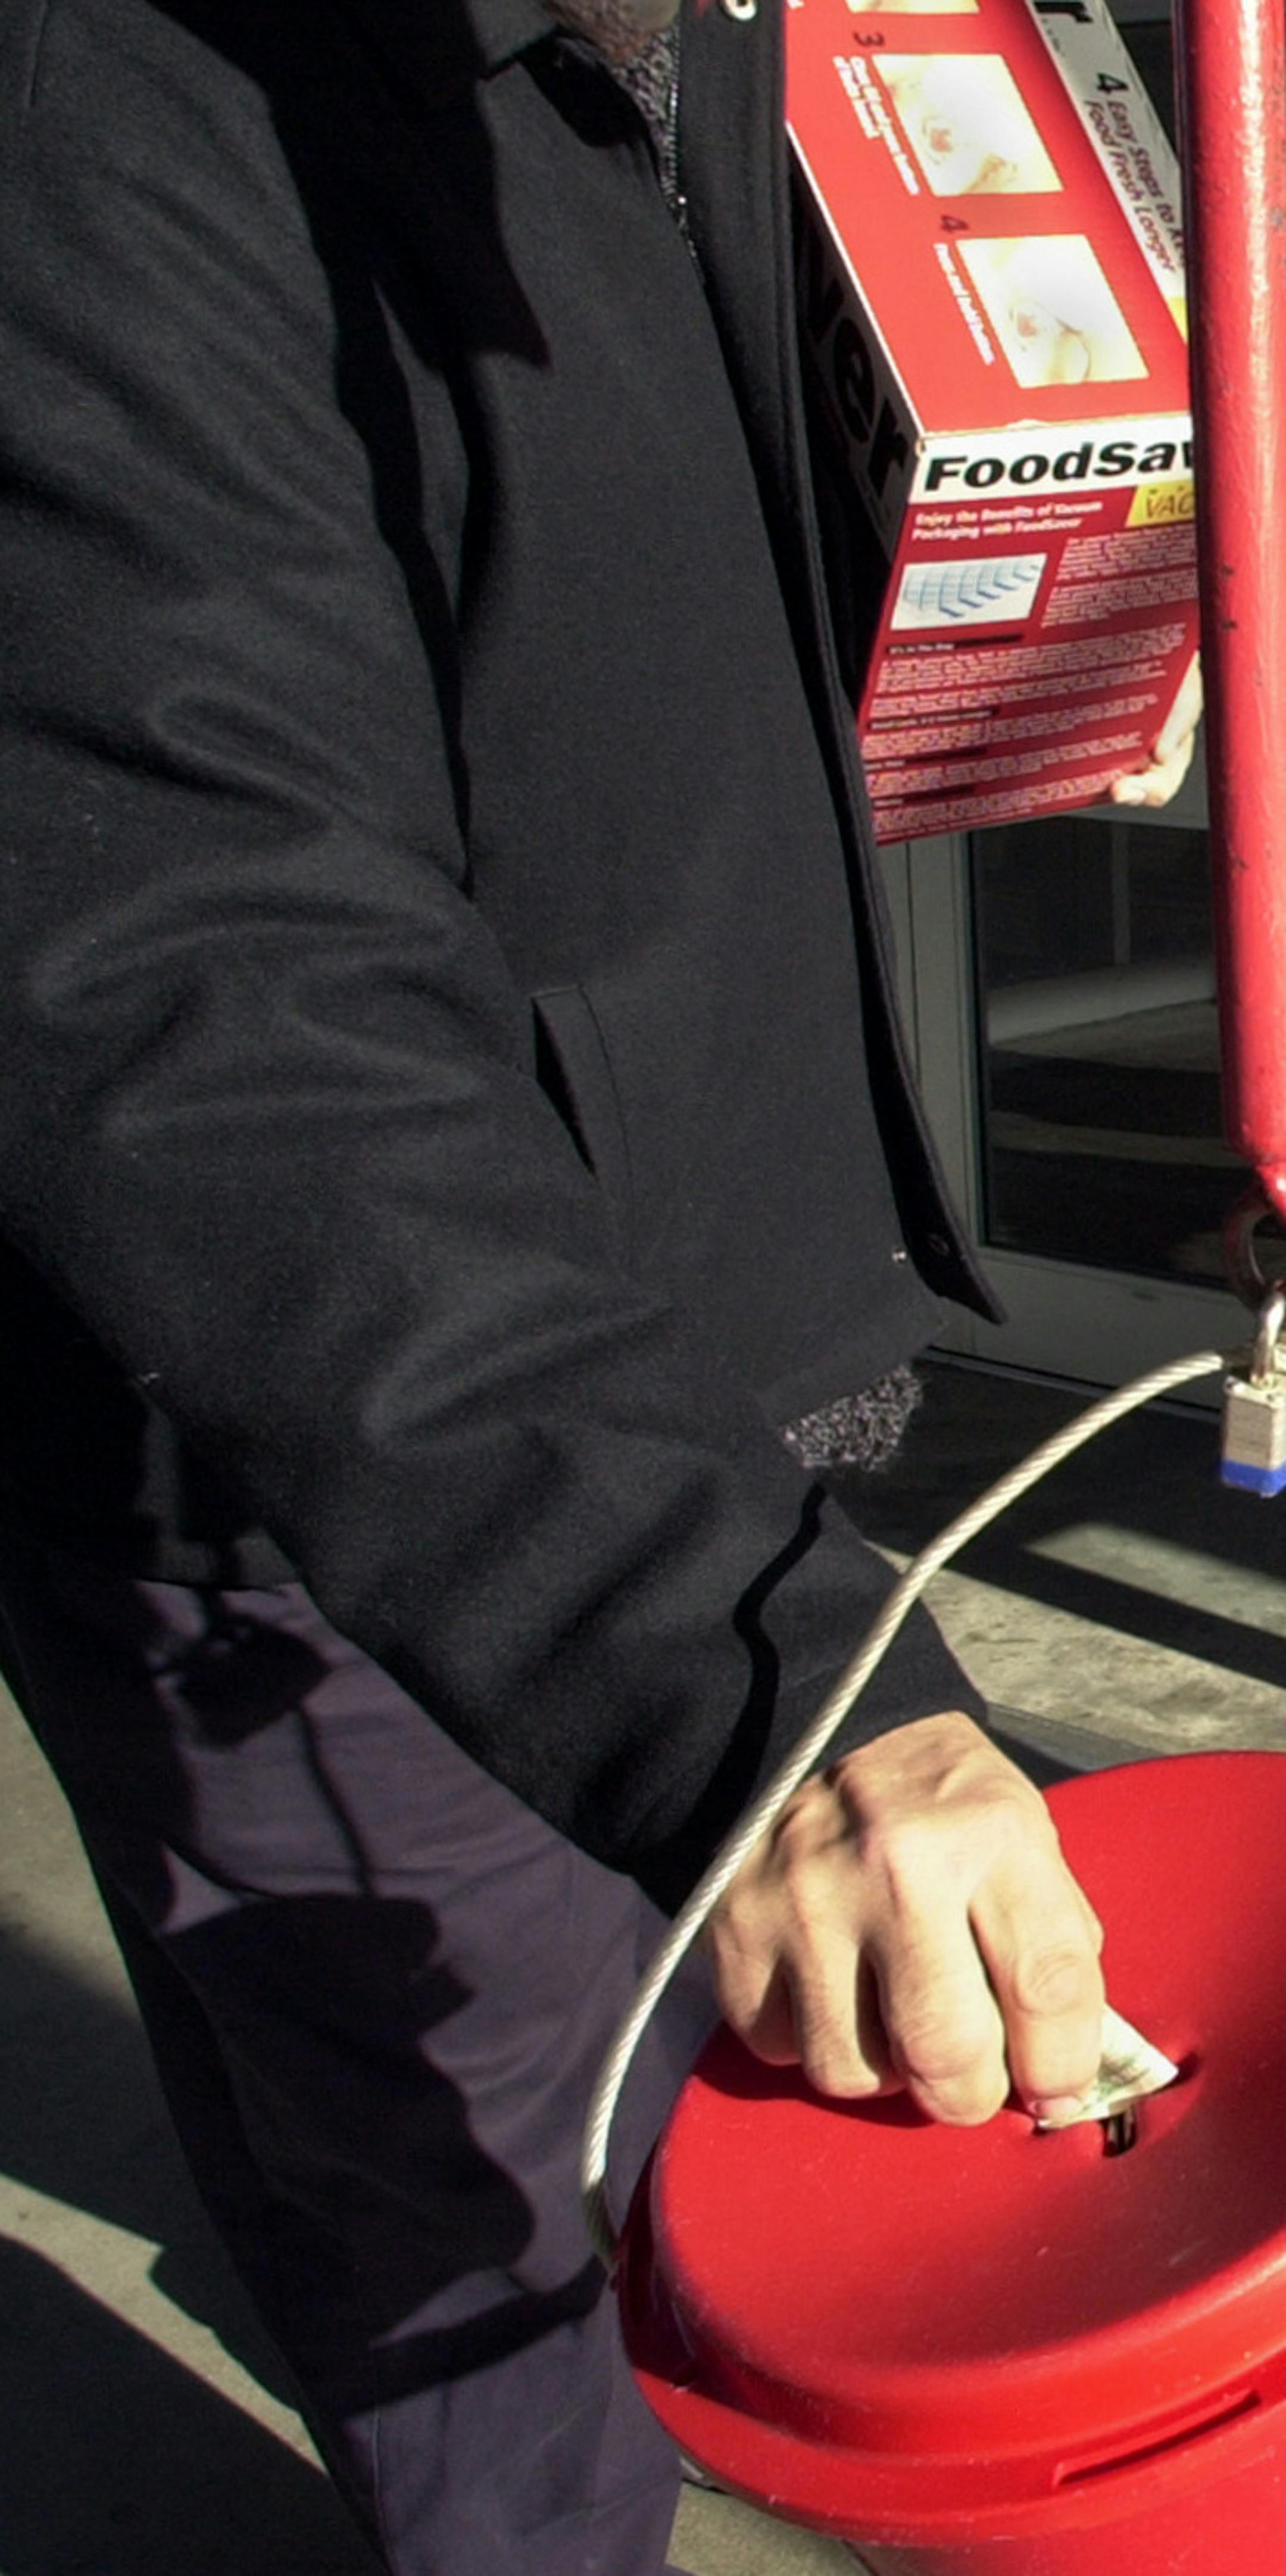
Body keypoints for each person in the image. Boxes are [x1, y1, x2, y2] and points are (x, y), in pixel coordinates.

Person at [0, 3, 1189, 2571]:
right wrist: (740, 1676)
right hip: (346, 1487)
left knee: (773, 2191)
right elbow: (203, 972)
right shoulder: (96, 98)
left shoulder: (706, 46)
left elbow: (637, 575)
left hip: (709, 1344)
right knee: (483, 2266)